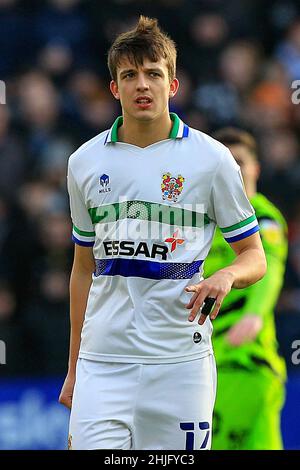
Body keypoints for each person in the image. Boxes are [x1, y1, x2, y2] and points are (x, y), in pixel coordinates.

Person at [59, 16, 266, 450]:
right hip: (104, 362)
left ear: (173, 85)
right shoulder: (84, 162)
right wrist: (75, 366)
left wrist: (226, 275)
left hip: (180, 363)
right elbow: (82, 270)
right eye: (129, 75)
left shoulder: (212, 160)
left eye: (154, 73)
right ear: (114, 88)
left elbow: (254, 256)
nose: (142, 85)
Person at [205, 128, 287, 450]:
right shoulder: (205, 222)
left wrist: (253, 314)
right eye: (228, 161)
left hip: (243, 360)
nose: (234, 169)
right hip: (213, 360)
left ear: (256, 169)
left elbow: (272, 268)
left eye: (240, 161)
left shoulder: (263, 216)